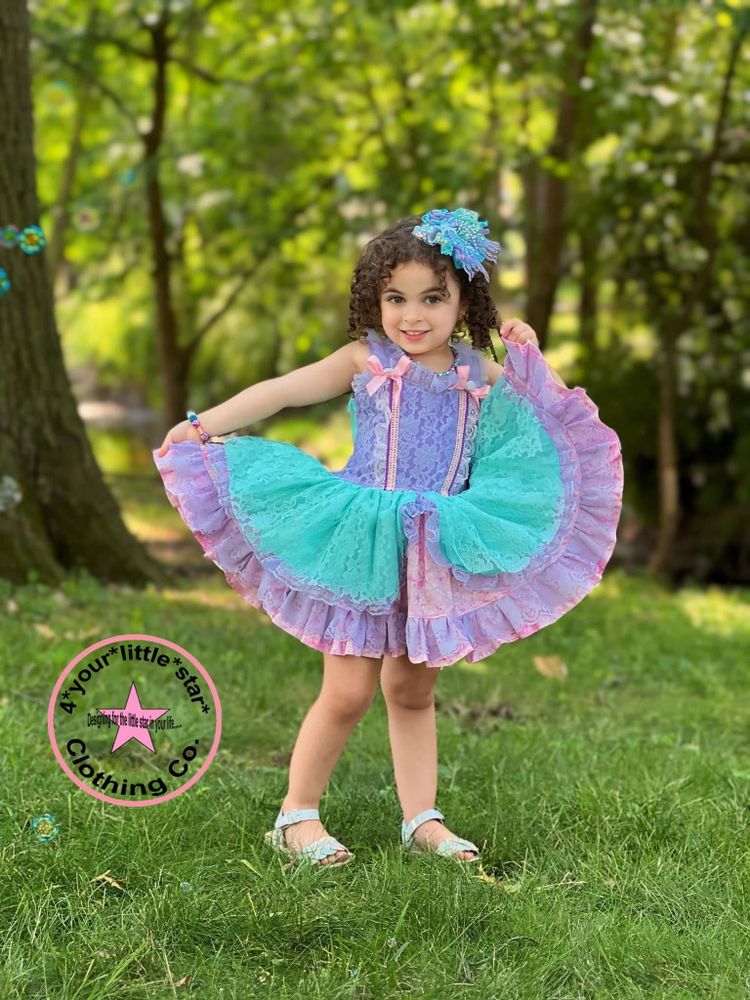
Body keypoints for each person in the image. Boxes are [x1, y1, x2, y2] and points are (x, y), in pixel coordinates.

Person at [153, 207, 623, 869]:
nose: (413, 315)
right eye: (396, 298)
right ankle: (296, 816)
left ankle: (421, 818)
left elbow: (548, 417)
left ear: (464, 303)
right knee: (348, 691)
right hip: (363, 540)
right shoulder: (366, 359)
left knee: (411, 690)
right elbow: (284, 391)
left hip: (433, 547)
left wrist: (530, 352)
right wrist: (204, 424)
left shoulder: (480, 375)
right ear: (375, 301)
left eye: (433, 298)